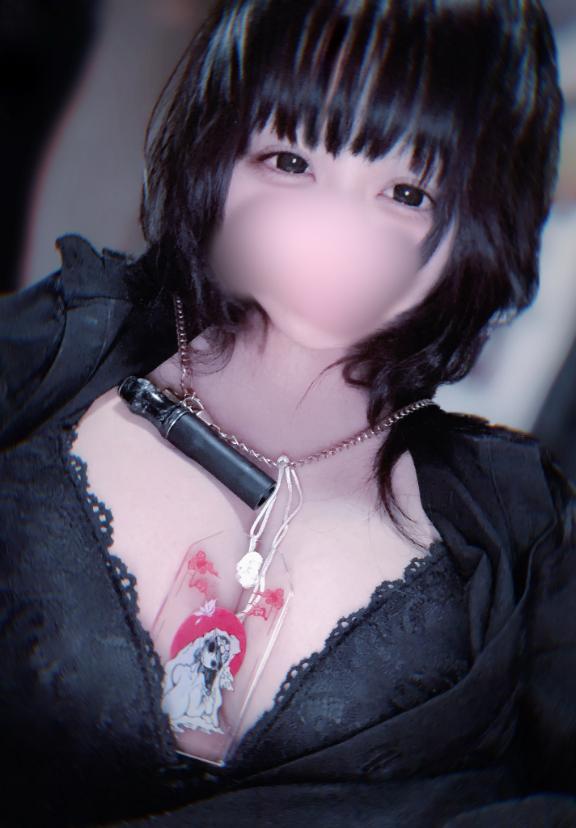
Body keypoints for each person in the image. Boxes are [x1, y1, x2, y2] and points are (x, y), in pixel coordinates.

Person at [1, 1, 575, 826]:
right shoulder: (58, 349)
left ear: (483, 216)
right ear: (220, 144)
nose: (333, 238)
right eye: (291, 161)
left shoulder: (514, 544)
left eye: (407, 191)